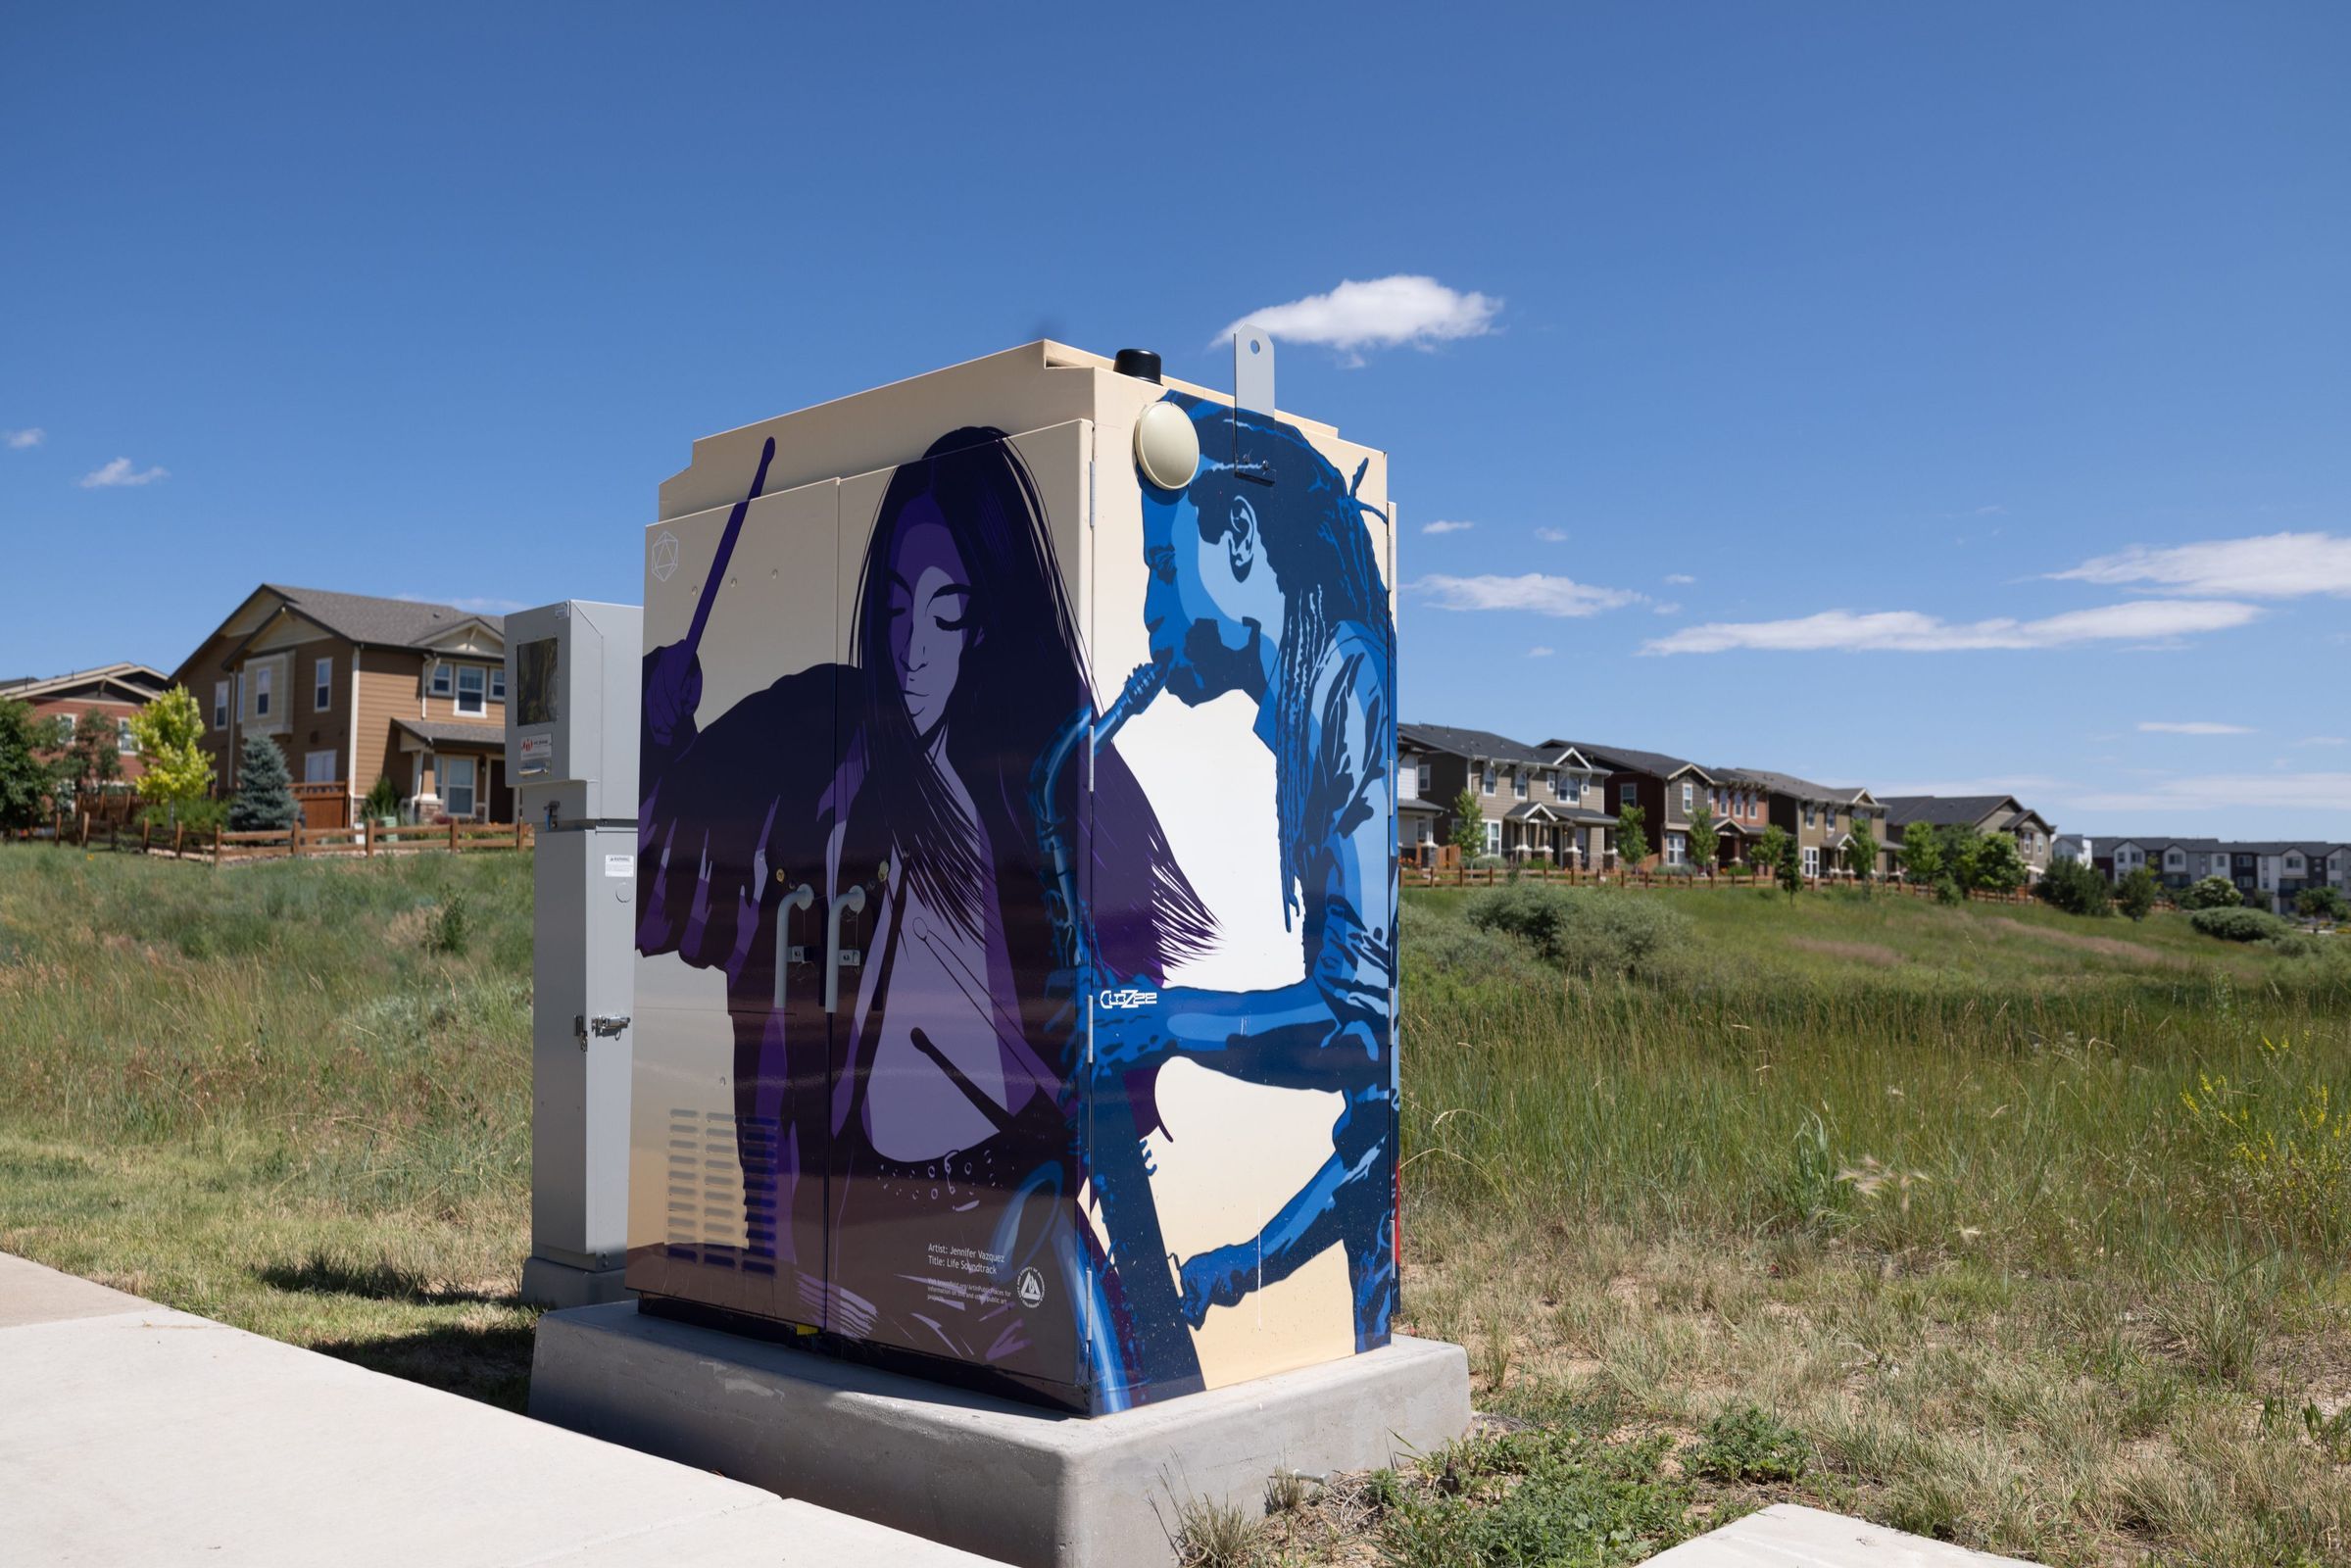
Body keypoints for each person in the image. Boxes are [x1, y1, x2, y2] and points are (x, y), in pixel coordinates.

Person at [633, 428, 1213, 1404]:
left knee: (1127, 1389)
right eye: (897, 607)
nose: (911, 649)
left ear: (988, 624)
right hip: (838, 1240)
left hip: (1014, 1234)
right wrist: (656, 734)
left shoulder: (1058, 780)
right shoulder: (812, 742)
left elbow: (1138, 1009)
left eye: (945, 614)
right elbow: (660, 883)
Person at [1093, 394, 1399, 1351]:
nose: (1150, 614)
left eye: (1161, 570)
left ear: (1235, 538)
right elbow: (1374, 1139)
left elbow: (1360, 1030)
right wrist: (1245, 1264)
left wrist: (1163, 1022)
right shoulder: (1314, 700)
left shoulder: (1345, 689)